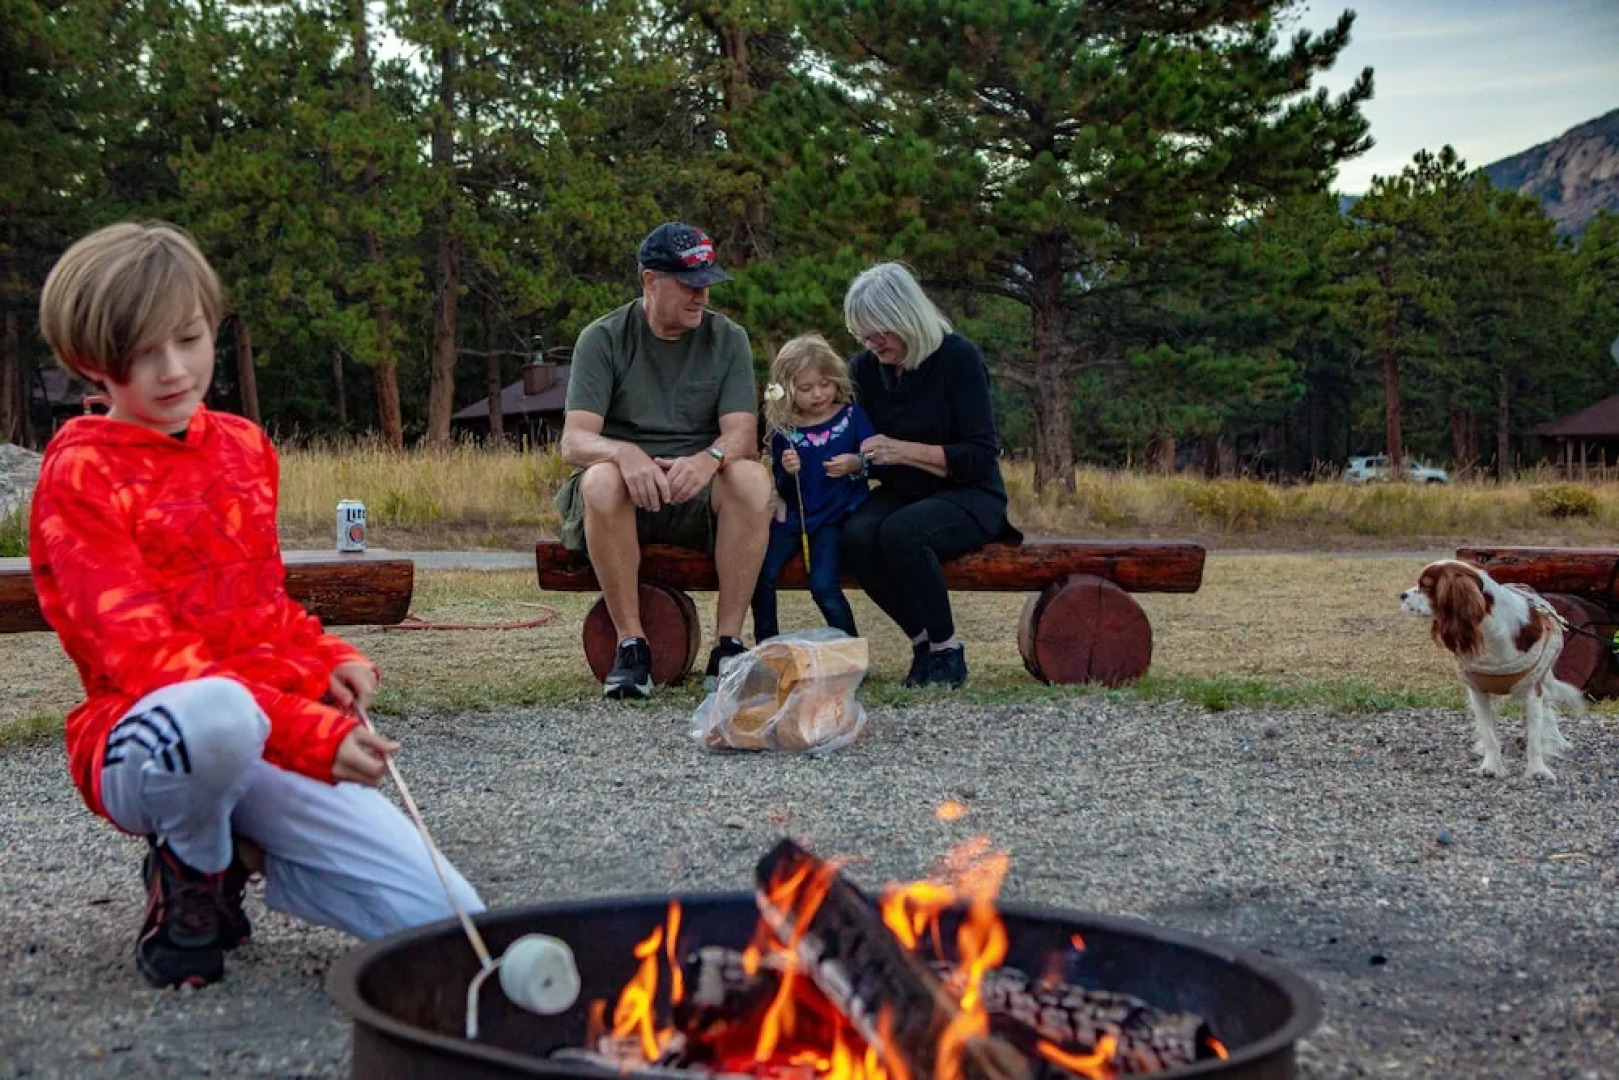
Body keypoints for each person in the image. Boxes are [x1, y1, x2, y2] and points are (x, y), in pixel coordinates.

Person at [28, 221, 482, 989]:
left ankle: (243, 848)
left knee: (445, 923)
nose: (172, 370)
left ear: (213, 326)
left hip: (260, 727)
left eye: (189, 339)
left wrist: (327, 657)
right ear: (88, 363)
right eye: (141, 354)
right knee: (215, 718)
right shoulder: (80, 476)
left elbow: (261, 607)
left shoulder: (241, 445)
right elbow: (144, 661)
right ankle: (191, 867)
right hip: (147, 738)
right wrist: (309, 732)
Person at [556, 223, 773, 697]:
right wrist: (624, 453)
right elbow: (574, 441)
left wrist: (709, 458)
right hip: (623, 497)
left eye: (707, 284)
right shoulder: (603, 338)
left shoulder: (728, 338)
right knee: (599, 481)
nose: (702, 296)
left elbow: (742, 433)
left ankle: (729, 647)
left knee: (753, 479)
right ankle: (632, 647)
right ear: (650, 280)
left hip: (697, 491)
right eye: (690, 285)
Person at [838, 263, 1020, 689]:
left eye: (879, 332)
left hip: (970, 494)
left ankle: (947, 650)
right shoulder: (864, 369)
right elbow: (853, 440)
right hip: (904, 490)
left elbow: (979, 455)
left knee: (903, 532)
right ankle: (922, 642)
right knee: (855, 536)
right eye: (862, 334)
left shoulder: (959, 358)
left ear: (905, 318)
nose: (871, 343)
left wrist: (902, 451)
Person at [751, 335, 875, 642]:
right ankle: (768, 644)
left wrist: (855, 464)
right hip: (795, 517)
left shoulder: (851, 417)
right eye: (805, 389)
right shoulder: (783, 430)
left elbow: (875, 460)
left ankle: (849, 647)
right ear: (787, 389)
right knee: (760, 575)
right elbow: (784, 485)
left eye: (825, 384)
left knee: (823, 586)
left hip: (834, 517)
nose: (818, 395)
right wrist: (786, 472)